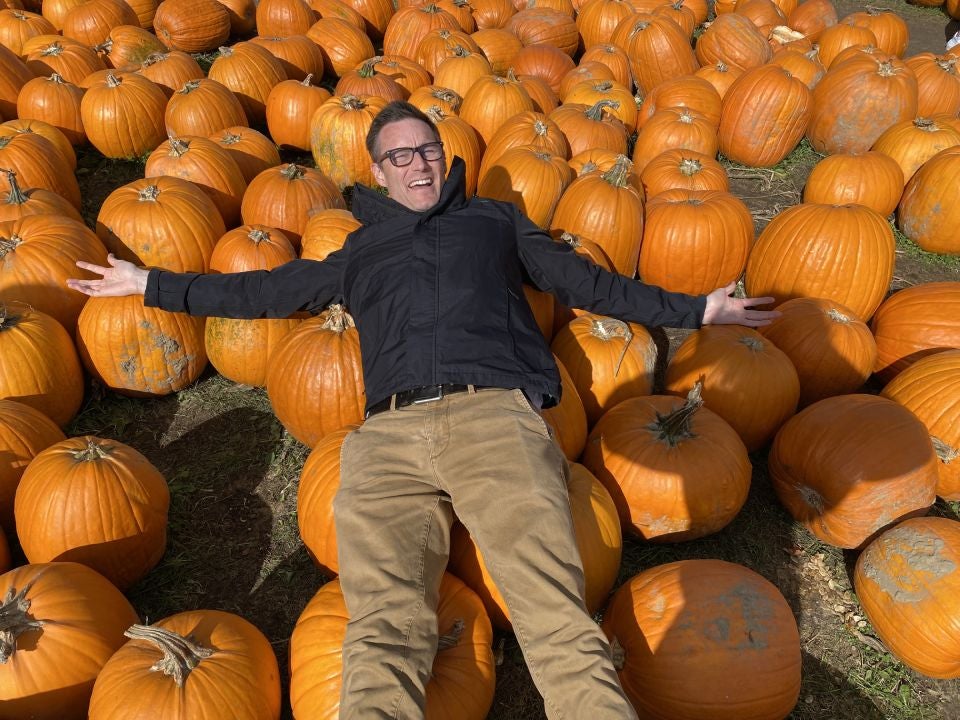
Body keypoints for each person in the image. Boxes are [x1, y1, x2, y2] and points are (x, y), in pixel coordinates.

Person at [69, 101, 778, 720]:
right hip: (389, 437)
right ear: (379, 171)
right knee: (383, 631)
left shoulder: (496, 223)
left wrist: (697, 309)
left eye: (428, 150)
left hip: (493, 418)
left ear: (447, 156)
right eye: (400, 156)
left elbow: (584, 281)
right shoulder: (358, 250)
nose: (418, 165)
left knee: (556, 619)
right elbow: (267, 291)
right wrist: (152, 282)